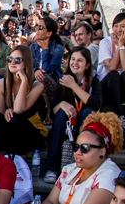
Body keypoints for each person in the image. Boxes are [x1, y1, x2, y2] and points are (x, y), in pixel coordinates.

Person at [42, 46, 101, 183]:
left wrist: (73, 86)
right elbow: (52, 110)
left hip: (84, 125)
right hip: (66, 124)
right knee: (62, 113)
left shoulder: (94, 81)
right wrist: (61, 104)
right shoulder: (62, 80)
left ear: (87, 65)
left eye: (80, 60)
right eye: (72, 59)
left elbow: (96, 104)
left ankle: (81, 166)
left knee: (87, 111)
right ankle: (51, 167)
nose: (75, 63)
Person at [0, 44, 47, 158]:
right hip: (12, 130)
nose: (12, 63)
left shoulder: (37, 85)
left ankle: (14, 157)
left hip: (33, 131)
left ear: (26, 63)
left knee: (15, 117)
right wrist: (6, 111)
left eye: (17, 60)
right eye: (10, 59)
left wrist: (24, 81)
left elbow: (18, 109)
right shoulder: (0, 84)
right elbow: (1, 114)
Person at [98, 12, 125, 131]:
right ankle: (120, 115)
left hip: (120, 88)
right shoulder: (105, 42)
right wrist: (118, 47)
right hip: (105, 87)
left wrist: (121, 45)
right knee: (114, 74)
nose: (118, 29)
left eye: (122, 26)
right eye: (116, 26)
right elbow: (111, 67)